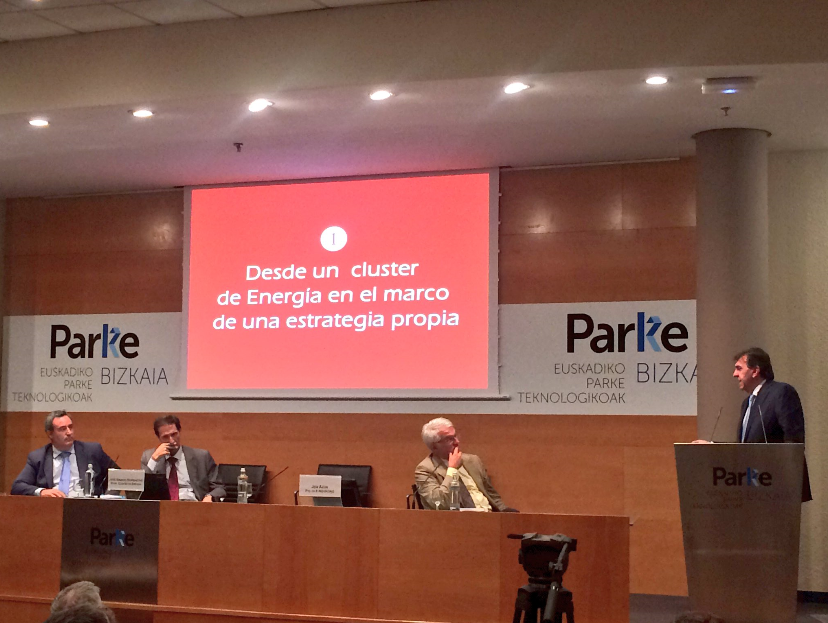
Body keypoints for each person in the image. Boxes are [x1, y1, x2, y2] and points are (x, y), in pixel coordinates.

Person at [414, 417, 515, 511]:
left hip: (489, 515)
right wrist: (452, 469)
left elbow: (491, 493)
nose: (457, 442)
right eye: (449, 439)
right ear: (434, 446)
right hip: (459, 520)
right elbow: (440, 503)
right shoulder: (425, 469)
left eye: (455, 436)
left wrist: (504, 511)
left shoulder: (473, 460)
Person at [11, 410, 117, 497]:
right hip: (52, 508)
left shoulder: (92, 451)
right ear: (50, 434)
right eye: (62, 429)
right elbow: (18, 486)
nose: (69, 432)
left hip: (87, 508)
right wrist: (42, 491)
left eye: (70, 427)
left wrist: (107, 497)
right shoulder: (38, 457)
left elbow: (117, 475)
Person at [140, 415, 225, 502]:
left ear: (179, 432)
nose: (171, 440)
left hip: (193, 504)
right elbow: (141, 489)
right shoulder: (149, 457)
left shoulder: (201, 457)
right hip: (164, 506)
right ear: (158, 438)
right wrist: (154, 460)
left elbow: (219, 488)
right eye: (165, 437)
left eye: (174, 434)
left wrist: (210, 496)